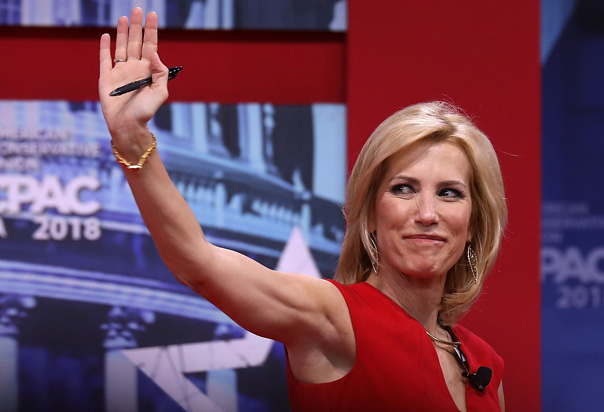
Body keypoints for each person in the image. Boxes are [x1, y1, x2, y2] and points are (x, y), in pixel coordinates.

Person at [99, 7, 507, 412]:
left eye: (450, 193)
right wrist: (132, 139)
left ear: (473, 223)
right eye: (404, 189)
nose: (427, 213)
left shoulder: (484, 365)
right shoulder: (331, 317)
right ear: (369, 214)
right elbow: (198, 262)